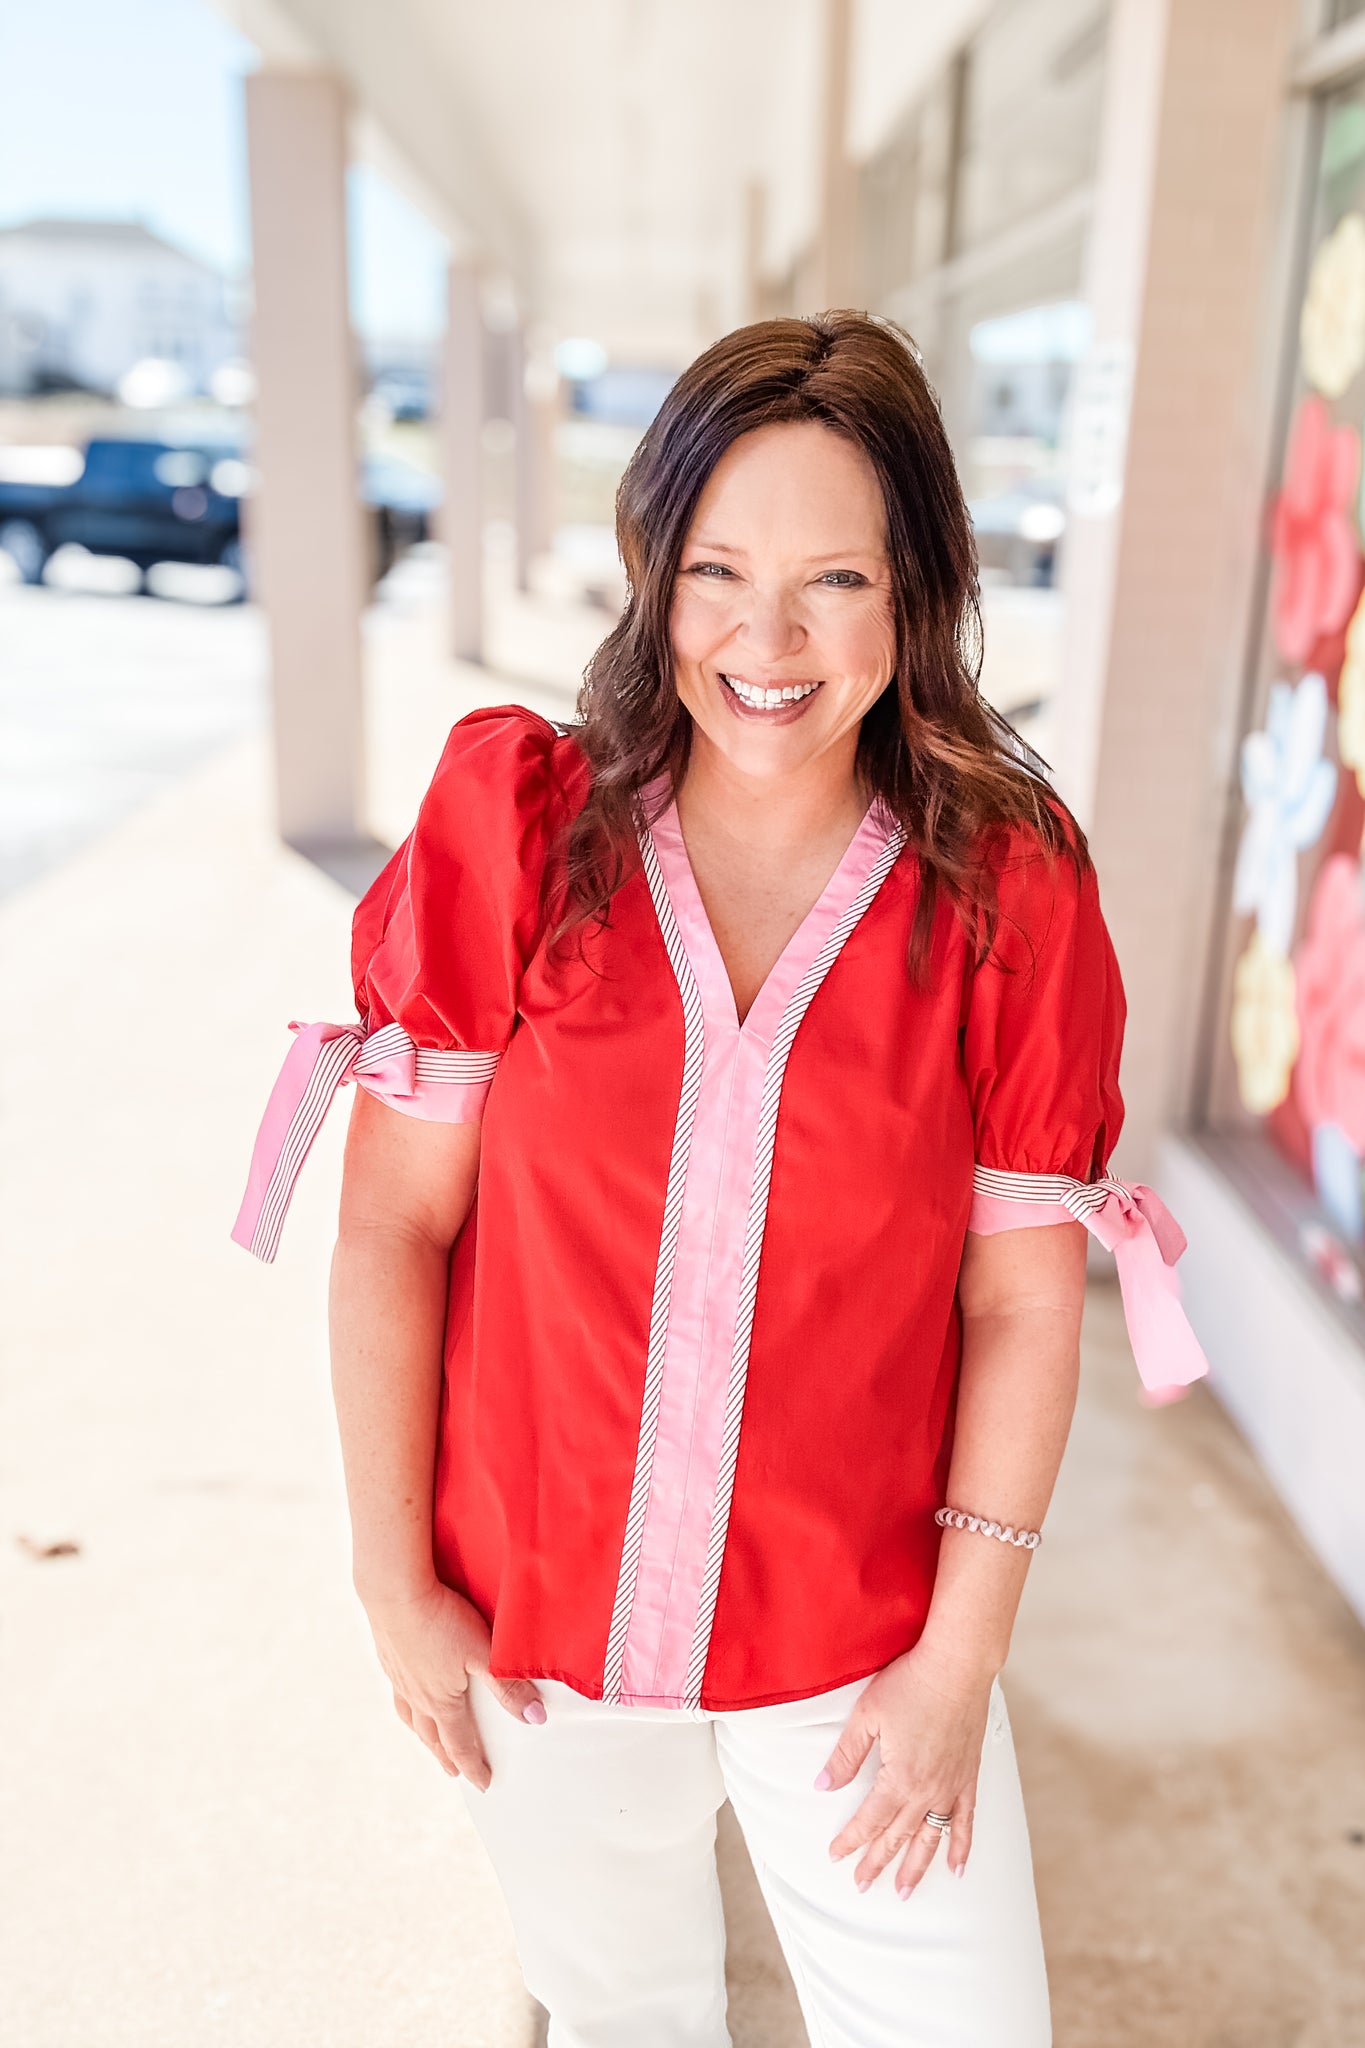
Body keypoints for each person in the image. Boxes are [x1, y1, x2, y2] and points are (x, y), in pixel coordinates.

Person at [233, 311, 1206, 2048]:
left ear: (916, 596)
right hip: (540, 1643)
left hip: (856, 1647)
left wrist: (961, 1657)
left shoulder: (1007, 897)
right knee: (629, 2025)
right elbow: (396, 1219)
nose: (767, 639)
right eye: (716, 571)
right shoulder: (520, 839)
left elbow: (1020, 1300)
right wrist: (395, 1582)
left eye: (835, 579)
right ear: (652, 572)